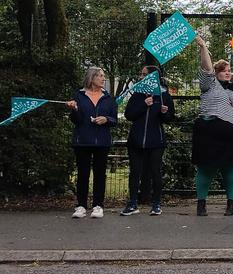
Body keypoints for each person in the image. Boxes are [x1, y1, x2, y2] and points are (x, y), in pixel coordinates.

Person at [193, 34, 233, 216]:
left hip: (231, 135)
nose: (228, 72)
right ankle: (201, 204)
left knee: (230, 168)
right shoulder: (209, 85)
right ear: (217, 73)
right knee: (206, 168)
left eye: (229, 70)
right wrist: (203, 47)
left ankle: (231, 204)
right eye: (224, 70)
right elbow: (206, 68)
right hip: (208, 132)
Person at [122, 65, 175, 216]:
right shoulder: (137, 94)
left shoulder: (164, 95)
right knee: (135, 172)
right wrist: (144, 105)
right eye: (141, 73)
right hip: (136, 141)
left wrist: (164, 113)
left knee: (155, 172)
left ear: (153, 77)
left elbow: (170, 118)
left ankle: (156, 204)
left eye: (144, 74)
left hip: (156, 141)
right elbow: (129, 115)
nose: (141, 76)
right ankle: (133, 203)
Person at [66, 67, 117, 219]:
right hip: (82, 141)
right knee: (82, 173)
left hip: (102, 141)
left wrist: (106, 119)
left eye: (103, 76)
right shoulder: (79, 96)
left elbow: (115, 119)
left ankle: (98, 205)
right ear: (91, 78)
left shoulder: (108, 98)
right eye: (100, 76)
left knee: (100, 174)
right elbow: (76, 120)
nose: (103, 79)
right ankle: (81, 205)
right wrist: (74, 109)